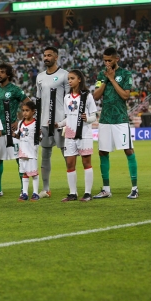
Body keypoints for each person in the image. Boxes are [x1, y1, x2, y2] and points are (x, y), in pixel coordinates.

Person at [92, 47, 138, 199]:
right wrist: (106, 78)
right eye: (104, 60)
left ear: (116, 59)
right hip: (105, 119)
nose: (107, 63)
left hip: (120, 119)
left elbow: (125, 95)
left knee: (128, 150)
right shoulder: (101, 74)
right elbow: (96, 96)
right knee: (102, 152)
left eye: (109, 60)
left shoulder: (125, 74)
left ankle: (134, 188)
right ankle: (106, 189)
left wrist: (112, 79)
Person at [57, 70, 98, 202]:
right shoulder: (67, 97)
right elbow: (68, 118)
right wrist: (57, 124)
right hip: (69, 134)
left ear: (79, 79)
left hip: (84, 133)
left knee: (86, 163)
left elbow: (94, 116)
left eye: (72, 78)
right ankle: (72, 193)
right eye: (68, 78)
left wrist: (88, 119)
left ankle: (87, 193)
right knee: (70, 163)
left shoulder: (87, 96)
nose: (69, 81)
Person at [0, 63, 30, 195]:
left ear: (8, 74)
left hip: (13, 131)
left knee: (20, 159)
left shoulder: (15, 90)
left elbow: (29, 104)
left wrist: (20, 119)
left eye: (2, 72)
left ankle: (23, 189)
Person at [36, 47, 69, 198]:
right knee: (45, 154)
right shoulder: (40, 77)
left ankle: (72, 188)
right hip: (44, 122)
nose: (46, 58)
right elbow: (38, 101)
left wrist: (66, 121)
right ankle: (46, 188)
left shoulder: (64, 75)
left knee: (66, 154)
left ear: (56, 57)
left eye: (49, 55)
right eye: (45, 55)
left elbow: (70, 99)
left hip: (60, 121)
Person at [15, 101, 40, 201]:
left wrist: (39, 136)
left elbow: (40, 137)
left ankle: (35, 193)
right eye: (23, 110)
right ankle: (24, 193)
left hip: (31, 152)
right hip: (22, 152)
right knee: (24, 173)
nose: (24, 113)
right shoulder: (21, 123)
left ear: (33, 111)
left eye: (27, 110)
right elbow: (18, 134)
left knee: (33, 173)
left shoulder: (36, 123)